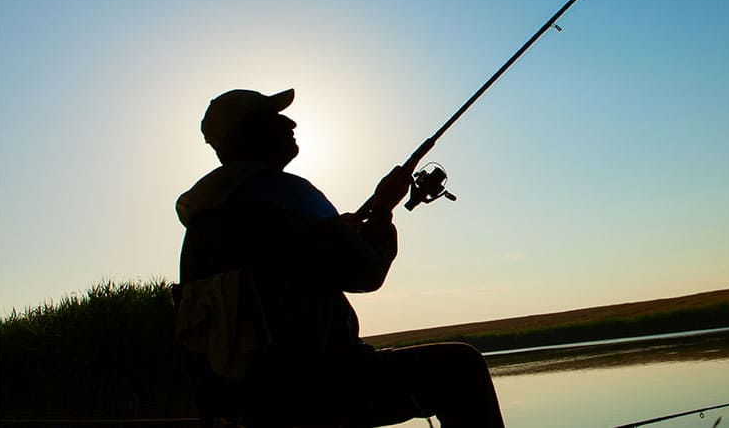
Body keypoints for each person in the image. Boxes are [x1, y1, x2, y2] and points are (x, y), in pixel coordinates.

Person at [174, 88, 505, 427]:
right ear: (249, 132)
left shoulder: (204, 219)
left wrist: (336, 231)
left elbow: (283, 268)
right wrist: (382, 210)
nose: (290, 123)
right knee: (461, 366)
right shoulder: (287, 193)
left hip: (253, 397)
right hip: (319, 386)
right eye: (274, 117)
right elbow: (367, 272)